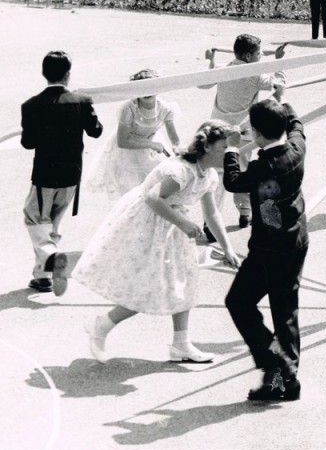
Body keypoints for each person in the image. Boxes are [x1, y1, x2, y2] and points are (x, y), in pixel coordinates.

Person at [77, 121, 241, 363]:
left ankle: (181, 345)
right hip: (147, 223)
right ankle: (102, 324)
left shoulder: (209, 175)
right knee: (149, 285)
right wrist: (184, 224)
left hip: (172, 224)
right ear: (206, 146)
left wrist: (227, 248)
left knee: (184, 280)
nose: (227, 153)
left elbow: (212, 212)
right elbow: (154, 199)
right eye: (223, 147)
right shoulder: (181, 171)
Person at [223, 96, 309, 402]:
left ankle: (279, 366)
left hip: (267, 250)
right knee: (284, 312)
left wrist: (232, 147)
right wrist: (283, 99)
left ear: (257, 134)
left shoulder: (263, 166)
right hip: (295, 241)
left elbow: (233, 181)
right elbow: (297, 124)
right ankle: (285, 377)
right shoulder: (297, 148)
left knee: (238, 301)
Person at [20, 51, 104, 294]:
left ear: (44, 74)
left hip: (45, 173)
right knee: (53, 224)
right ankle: (42, 276)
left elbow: (28, 143)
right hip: (71, 174)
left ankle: (51, 256)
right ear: (68, 74)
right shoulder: (82, 100)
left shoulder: (32, 105)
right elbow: (96, 131)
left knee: (35, 218)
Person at [201, 33, 286, 228]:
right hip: (243, 133)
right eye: (258, 54)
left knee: (218, 175)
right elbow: (279, 84)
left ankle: (210, 221)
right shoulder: (255, 75)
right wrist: (279, 62)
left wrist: (211, 62)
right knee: (243, 172)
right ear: (248, 56)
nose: (261, 56)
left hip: (219, 131)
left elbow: (203, 83)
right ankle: (245, 212)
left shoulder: (223, 70)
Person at [87, 69, 181, 202]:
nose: (146, 93)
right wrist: (152, 144)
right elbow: (122, 141)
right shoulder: (129, 109)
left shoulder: (165, 108)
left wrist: (179, 152)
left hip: (151, 149)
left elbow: (174, 138)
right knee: (132, 194)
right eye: (141, 88)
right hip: (127, 151)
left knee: (155, 187)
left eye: (149, 88)